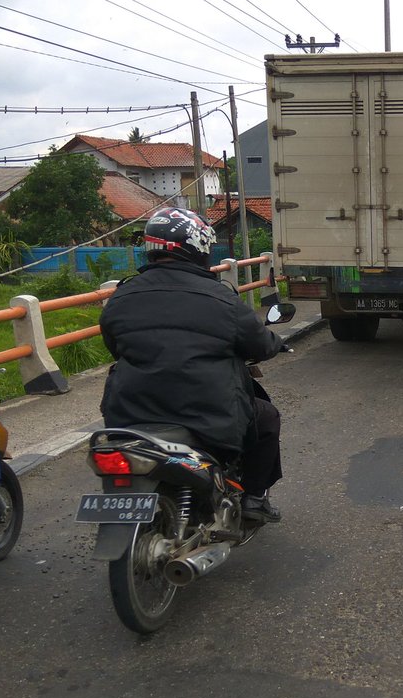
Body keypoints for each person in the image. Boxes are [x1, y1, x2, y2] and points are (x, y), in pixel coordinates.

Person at [99, 207, 286, 522]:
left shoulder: (121, 295)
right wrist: (276, 342)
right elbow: (260, 344)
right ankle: (254, 499)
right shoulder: (222, 299)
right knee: (266, 418)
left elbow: (115, 347)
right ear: (199, 248)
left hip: (129, 412)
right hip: (206, 412)